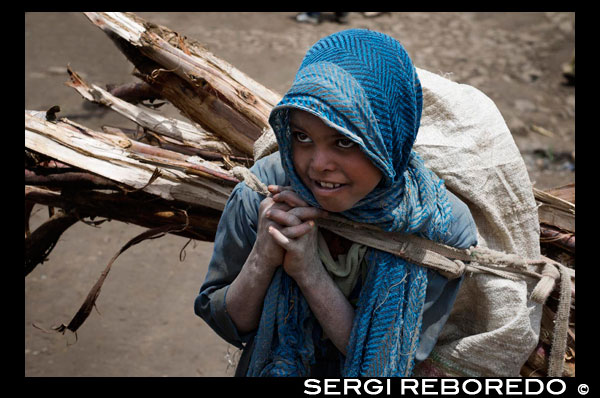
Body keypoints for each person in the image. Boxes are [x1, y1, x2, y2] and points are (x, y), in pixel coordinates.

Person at [195, 29, 478, 377]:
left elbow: (390, 364)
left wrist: (309, 273)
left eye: (344, 142)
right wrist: (263, 257)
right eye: (302, 137)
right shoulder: (265, 192)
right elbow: (225, 321)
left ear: (387, 141)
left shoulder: (437, 228)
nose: (317, 165)